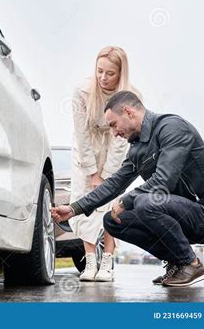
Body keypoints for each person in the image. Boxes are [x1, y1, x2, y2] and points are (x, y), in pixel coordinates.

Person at [52, 91, 204, 287]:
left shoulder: (173, 128)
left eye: (113, 125)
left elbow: (163, 181)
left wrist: (126, 200)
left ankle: (190, 264)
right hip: (175, 212)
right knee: (112, 221)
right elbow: (114, 183)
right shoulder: (137, 148)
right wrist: (74, 208)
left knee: (146, 202)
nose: (115, 133)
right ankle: (177, 261)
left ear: (128, 112)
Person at [68, 46, 142, 282]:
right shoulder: (81, 91)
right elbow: (81, 134)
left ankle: (107, 259)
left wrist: (107, 177)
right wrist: (91, 173)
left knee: (109, 202)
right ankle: (90, 260)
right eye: (99, 71)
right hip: (86, 148)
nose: (103, 77)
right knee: (83, 202)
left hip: (115, 146)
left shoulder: (131, 96)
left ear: (121, 74)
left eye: (110, 73)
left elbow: (123, 140)